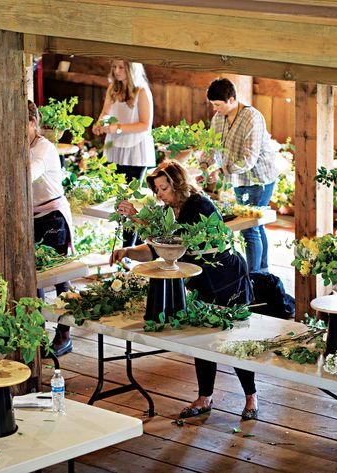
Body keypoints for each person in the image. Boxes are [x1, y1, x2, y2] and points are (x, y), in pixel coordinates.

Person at [110, 161, 259, 420]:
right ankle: (205, 397)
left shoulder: (197, 205)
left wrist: (138, 217)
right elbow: (159, 248)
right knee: (202, 339)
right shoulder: (171, 210)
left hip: (226, 277)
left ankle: (251, 398)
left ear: (178, 184)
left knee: (235, 339)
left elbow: (173, 240)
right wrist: (127, 251)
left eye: (164, 188)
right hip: (201, 279)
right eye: (157, 190)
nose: (160, 195)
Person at [201, 78, 282, 273]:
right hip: (238, 179)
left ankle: (254, 276)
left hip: (259, 179)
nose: (215, 109)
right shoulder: (218, 118)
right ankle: (263, 270)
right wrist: (204, 165)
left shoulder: (252, 117)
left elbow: (249, 158)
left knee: (249, 228)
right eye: (213, 105)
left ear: (231, 100)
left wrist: (220, 171)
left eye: (218, 105)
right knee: (255, 226)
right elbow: (211, 146)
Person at [28, 101, 74, 357]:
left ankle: (64, 334)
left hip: (53, 217)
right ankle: (35, 331)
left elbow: (29, 173)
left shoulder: (44, 148)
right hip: (32, 215)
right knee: (33, 275)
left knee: (58, 277)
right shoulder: (22, 144)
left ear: (33, 123)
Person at [92, 59, 155, 247]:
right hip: (116, 148)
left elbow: (145, 124)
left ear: (131, 69)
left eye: (121, 67)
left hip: (136, 149)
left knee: (131, 200)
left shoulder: (142, 91)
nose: (117, 71)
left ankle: (129, 248)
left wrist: (117, 127)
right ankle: (121, 245)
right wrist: (99, 124)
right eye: (114, 67)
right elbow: (105, 113)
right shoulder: (113, 89)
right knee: (119, 199)